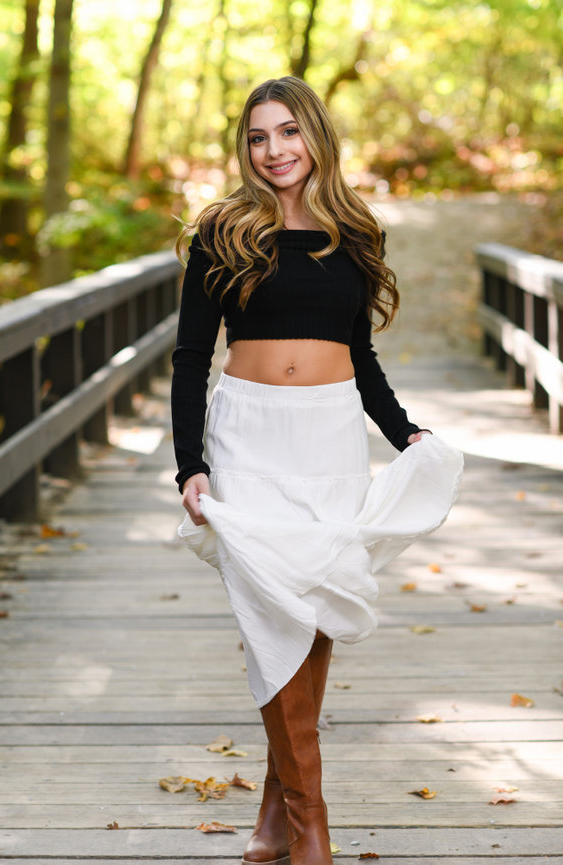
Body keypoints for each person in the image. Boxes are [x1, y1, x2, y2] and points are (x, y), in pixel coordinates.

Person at [171, 76, 463, 865]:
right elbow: (191, 356)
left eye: (288, 133)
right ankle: (310, 818)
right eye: (259, 137)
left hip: (329, 437)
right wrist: (188, 465)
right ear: (246, 147)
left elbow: (360, 356)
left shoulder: (353, 231)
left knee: (313, 600)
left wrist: (404, 431)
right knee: (270, 609)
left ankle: (275, 808)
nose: (274, 151)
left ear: (315, 138)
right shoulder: (222, 231)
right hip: (246, 438)